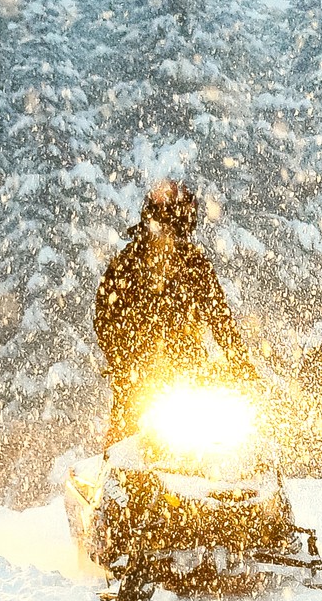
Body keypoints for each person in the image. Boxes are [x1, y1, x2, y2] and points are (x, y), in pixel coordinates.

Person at [95, 181, 257, 447]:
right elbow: (105, 318)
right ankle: (116, 480)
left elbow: (221, 319)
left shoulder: (195, 263)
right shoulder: (127, 264)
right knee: (125, 447)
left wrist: (243, 368)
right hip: (140, 382)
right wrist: (123, 360)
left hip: (187, 378)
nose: (171, 232)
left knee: (227, 449)